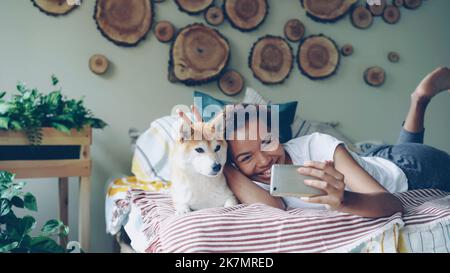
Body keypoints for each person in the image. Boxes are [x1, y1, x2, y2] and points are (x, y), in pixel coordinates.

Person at [222, 67, 450, 218]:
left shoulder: (315, 146)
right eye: (246, 157)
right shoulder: (250, 180)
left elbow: (391, 204)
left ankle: (419, 99)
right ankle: (419, 101)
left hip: (413, 168)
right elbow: (275, 207)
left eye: (266, 142)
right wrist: (222, 163)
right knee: (389, 155)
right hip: (371, 159)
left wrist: (344, 200)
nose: (263, 161)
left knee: (405, 155)